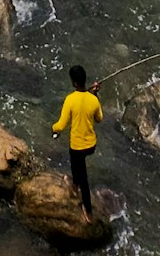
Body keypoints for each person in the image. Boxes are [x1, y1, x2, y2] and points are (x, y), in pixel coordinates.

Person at [52, 63, 103, 212]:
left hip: (78, 147)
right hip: (91, 145)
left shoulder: (70, 99)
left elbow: (61, 126)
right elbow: (99, 118)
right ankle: (74, 185)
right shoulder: (93, 99)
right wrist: (95, 94)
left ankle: (87, 210)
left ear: (74, 82)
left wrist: (53, 128)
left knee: (83, 177)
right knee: (76, 165)